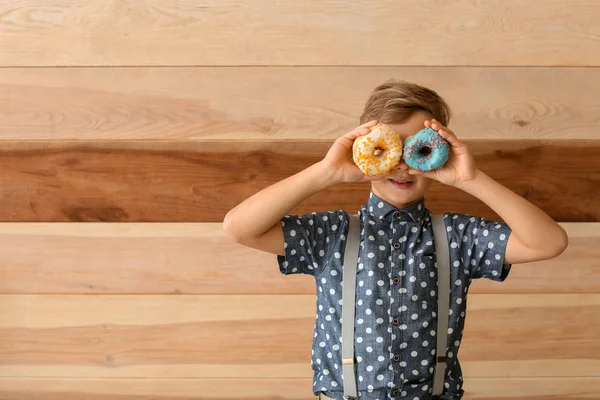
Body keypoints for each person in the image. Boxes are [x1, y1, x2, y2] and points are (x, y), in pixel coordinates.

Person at [223, 79, 568, 400]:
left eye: (416, 149)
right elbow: (239, 228)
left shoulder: (458, 237)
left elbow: (548, 242)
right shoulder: (332, 234)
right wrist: (326, 171)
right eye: (391, 148)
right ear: (364, 148)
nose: (402, 165)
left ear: (440, 151)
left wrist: (471, 179)